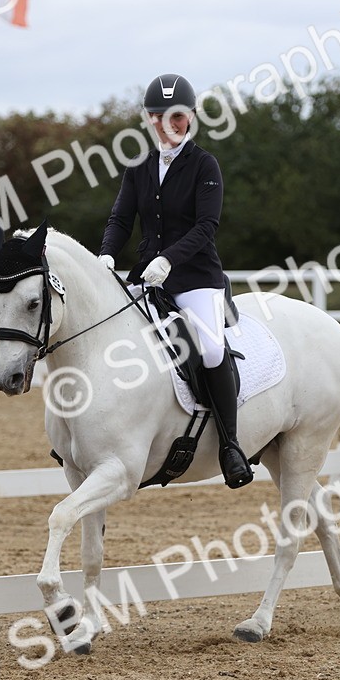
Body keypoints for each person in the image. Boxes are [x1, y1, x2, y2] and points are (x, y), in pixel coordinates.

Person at [98, 73, 253, 489]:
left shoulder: (204, 164)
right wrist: (107, 254)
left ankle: (231, 446)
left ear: (190, 117)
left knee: (211, 349)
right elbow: (120, 219)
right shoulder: (139, 167)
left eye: (178, 116)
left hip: (196, 277)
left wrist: (168, 259)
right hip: (149, 277)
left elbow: (207, 225)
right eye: (161, 116)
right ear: (149, 119)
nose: (170, 124)